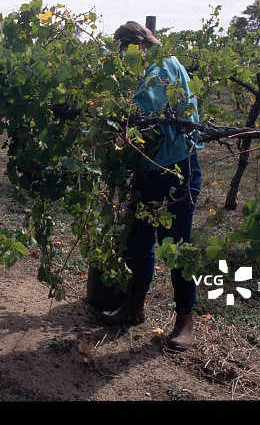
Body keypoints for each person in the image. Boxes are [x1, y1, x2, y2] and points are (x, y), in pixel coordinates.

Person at [100, 21, 203, 352]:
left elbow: (145, 117)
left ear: (137, 46)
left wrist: (115, 123)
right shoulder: (151, 66)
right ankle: (134, 306)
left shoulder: (161, 66)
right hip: (150, 167)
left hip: (176, 168)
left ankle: (185, 320)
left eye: (123, 52)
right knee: (140, 239)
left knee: (177, 246)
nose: (122, 60)